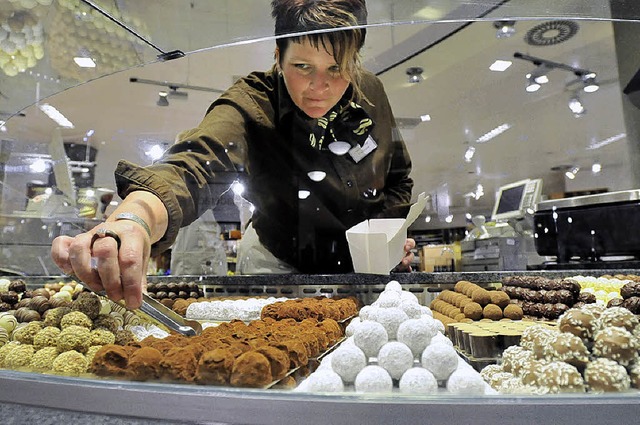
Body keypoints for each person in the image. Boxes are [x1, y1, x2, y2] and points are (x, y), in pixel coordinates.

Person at [51, 0, 415, 309]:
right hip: (278, 263)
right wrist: (136, 219)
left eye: (337, 68)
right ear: (277, 55)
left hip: (363, 268)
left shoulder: (371, 91)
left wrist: (386, 237)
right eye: (302, 67)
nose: (319, 87)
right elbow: (193, 165)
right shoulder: (251, 103)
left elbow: (398, 178)